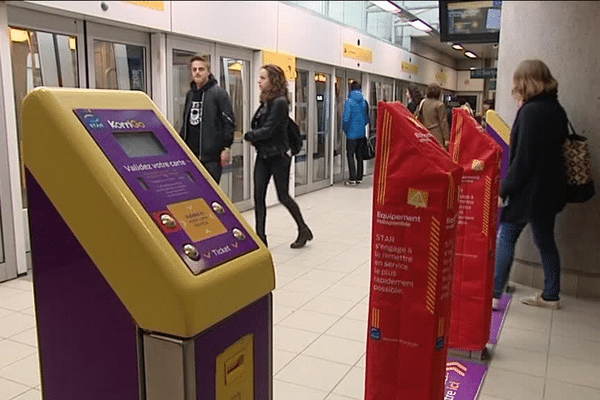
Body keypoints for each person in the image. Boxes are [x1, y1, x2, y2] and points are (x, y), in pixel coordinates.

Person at [492, 60, 568, 310]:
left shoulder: (530, 112)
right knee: (546, 241)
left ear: (525, 81)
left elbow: (523, 158)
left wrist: (505, 189)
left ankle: (493, 293)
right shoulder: (556, 109)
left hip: (529, 192)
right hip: (550, 190)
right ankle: (551, 294)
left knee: (507, 237)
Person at [244, 64, 313, 249]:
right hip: (263, 155)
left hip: (279, 156)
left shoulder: (280, 102)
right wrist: (255, 137)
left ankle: (303, 228)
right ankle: (261, 238)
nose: (259, 81)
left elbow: (268, 130)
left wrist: (249, 136)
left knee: (283, 196)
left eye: (263, 78)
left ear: (273, 80)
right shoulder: (265, 102)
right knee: (258, 196)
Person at [179, 54, 235, 183]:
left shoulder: (219, 93)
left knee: (210, 195)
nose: (197, 72)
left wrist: (226, 148)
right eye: (194, 69)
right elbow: (185, 122)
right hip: (191, 156)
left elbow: (229, 122)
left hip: (211, 158)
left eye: (201, 69)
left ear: (208, 72)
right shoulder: (190, 94)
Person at [342, 81, 370, 186]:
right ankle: (359, 177)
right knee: (359, 156)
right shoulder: (364, 102)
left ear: (351, 89)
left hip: (351, 134)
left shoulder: (349, 102)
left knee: (350, 155)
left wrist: (346, 130)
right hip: (361, 134)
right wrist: (361, 126)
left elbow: (346, 119)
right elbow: (367, 119)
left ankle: (352, 178)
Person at [416, 83, 450, 149]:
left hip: (425, 133)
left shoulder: (423, 103)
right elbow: (443, 122)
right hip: (437, 134)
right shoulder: (440, 105)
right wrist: (446, 138)